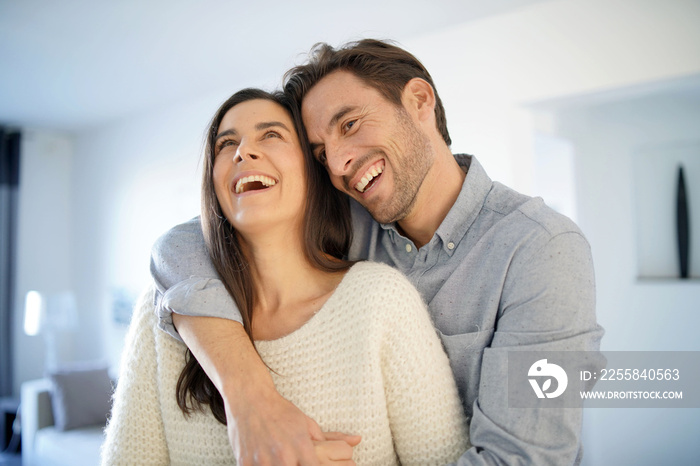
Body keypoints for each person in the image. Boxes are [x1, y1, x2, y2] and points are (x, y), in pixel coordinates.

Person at [152, 40, 604, 465]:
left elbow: (518, 460)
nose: (339, 164)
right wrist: (249, 397)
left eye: (349, 125)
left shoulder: (541, 250)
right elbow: (184, 244)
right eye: (320, 152)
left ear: (420, 101)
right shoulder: (350, 220)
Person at [103, 88, 469, 465]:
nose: (244, 151)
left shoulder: (382, 301)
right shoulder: (164, 308)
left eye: (271, 135)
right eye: (226, 144)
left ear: (314, 171)